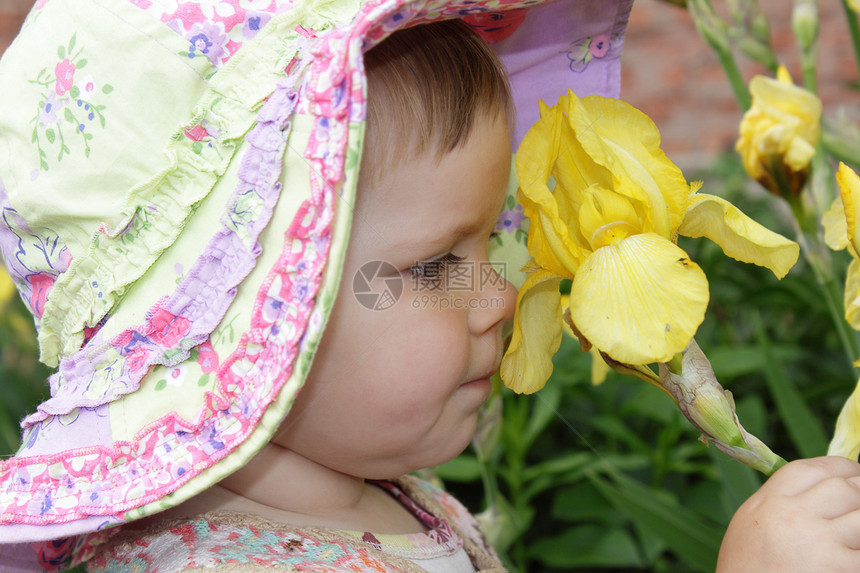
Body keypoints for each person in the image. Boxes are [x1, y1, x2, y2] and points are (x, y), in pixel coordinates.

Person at [0, 0, 633, 570]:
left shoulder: (385, 501)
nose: (497, 298)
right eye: (437, 264)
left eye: (490, 243)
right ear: (240, 313)